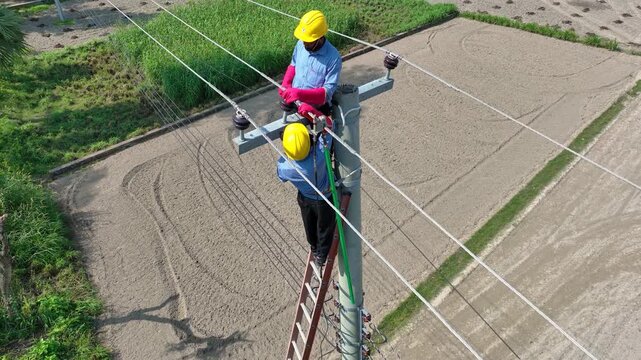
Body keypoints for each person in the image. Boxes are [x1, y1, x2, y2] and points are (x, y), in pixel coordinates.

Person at [277, 123, 335, 267]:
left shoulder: (285, 168)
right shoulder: (321, 154)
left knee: (309, 224)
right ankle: (322, 255)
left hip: (305, 198)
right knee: (325, 227)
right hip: (324, 199)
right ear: (309, 144)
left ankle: (314, 247)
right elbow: (329, 131)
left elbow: (281, 176)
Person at [279, 10, 342, 121]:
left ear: (320, 37)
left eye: (309, 41)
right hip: (294, 102)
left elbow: (326, 93)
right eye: (304, 39)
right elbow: (293, 64)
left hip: (316, 111)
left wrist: (300, 94)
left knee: (317, 137)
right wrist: (286, 83)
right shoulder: (300, 44)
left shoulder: (333, 58)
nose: (304, 43)